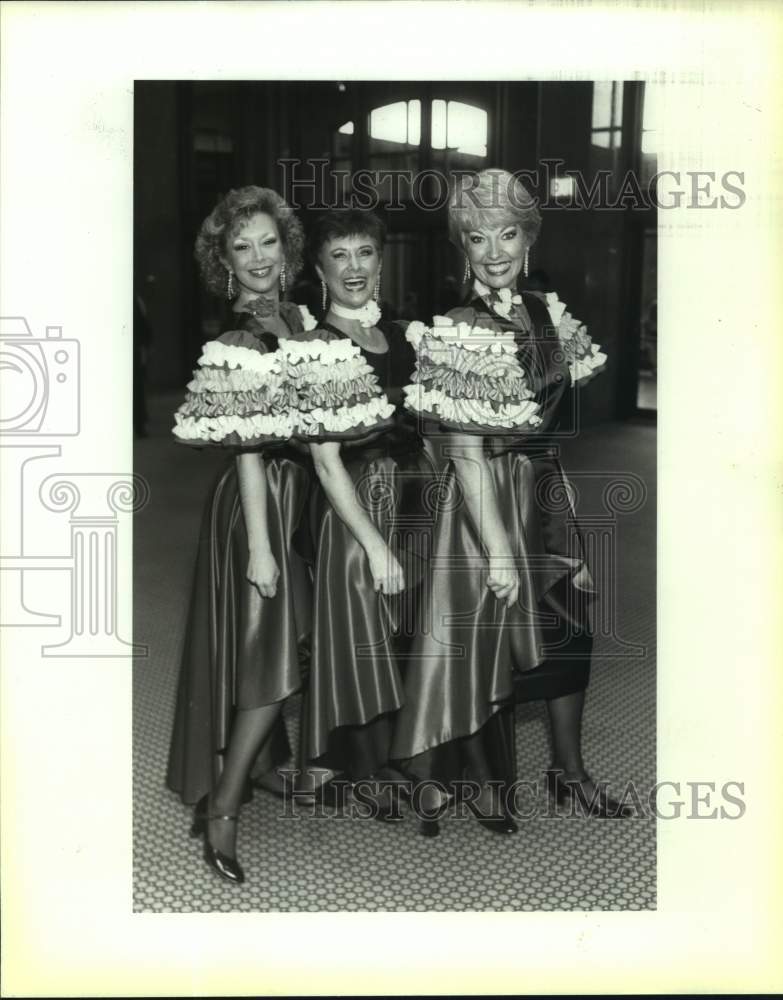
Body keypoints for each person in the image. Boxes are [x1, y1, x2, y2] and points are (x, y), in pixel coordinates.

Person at [166, 187, 393, 883]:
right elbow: (248, 451)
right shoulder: (241, 336)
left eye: (268, 242)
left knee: (280, 641)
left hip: (296, 495)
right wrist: (262, 549)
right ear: (224, 263)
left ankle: (257, 767)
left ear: (286, 248)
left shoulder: (298, 318)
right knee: (270, 648)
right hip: (254, 504)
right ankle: (222, 810)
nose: (259, 257)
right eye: (242, 247)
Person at [392, 168, 627, 836]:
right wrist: (499, 553)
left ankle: (567, 771)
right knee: (491, 641)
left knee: (571, 629)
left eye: (505, 232)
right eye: (475, 237)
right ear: (459, 249)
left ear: (527, 237)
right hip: (482, 506)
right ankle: (462, 773)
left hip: (543, 494)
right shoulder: (458, 329)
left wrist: (569, 529)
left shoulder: (547, 314)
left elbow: (550, 437)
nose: (492, 250)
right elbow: (463, 451)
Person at [300, 210, 436, 813]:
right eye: (339, 255)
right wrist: (374, 546)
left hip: (416, 499)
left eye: (364, 253)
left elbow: (427, 430)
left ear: (381, 261)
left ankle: (411, 753)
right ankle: (366, 762)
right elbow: (326, 463)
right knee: (365, 634)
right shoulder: (316, 348)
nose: (353, 267)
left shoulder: (404, 336)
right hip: (355, 511)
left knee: (411, 626)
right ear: (319, 269)